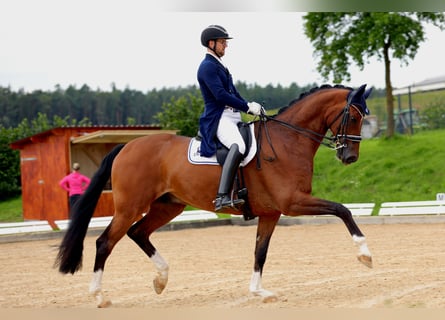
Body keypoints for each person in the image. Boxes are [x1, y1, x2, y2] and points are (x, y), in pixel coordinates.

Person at [197, 25, 264, 212]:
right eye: (222, 42)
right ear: (211, 43)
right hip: (218, 117)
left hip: (232, 115)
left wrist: (251, 107)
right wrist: (246, 106)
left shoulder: (219, 65)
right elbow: (220, 95)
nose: (225, 46)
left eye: (225, 42)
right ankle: (222, 196)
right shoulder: (207, 67)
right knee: (239, 146)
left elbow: (233, 93)